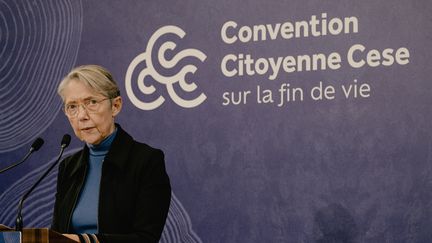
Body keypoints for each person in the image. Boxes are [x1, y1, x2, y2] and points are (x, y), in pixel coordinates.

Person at [51, 65, 171, 243]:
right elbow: (57, 234)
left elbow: (146, 238)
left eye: (91, 102)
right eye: (72, 106)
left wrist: (85, 241)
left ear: (115, 106)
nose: (82, 115)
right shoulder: (68, 166)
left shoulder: (146, 161)